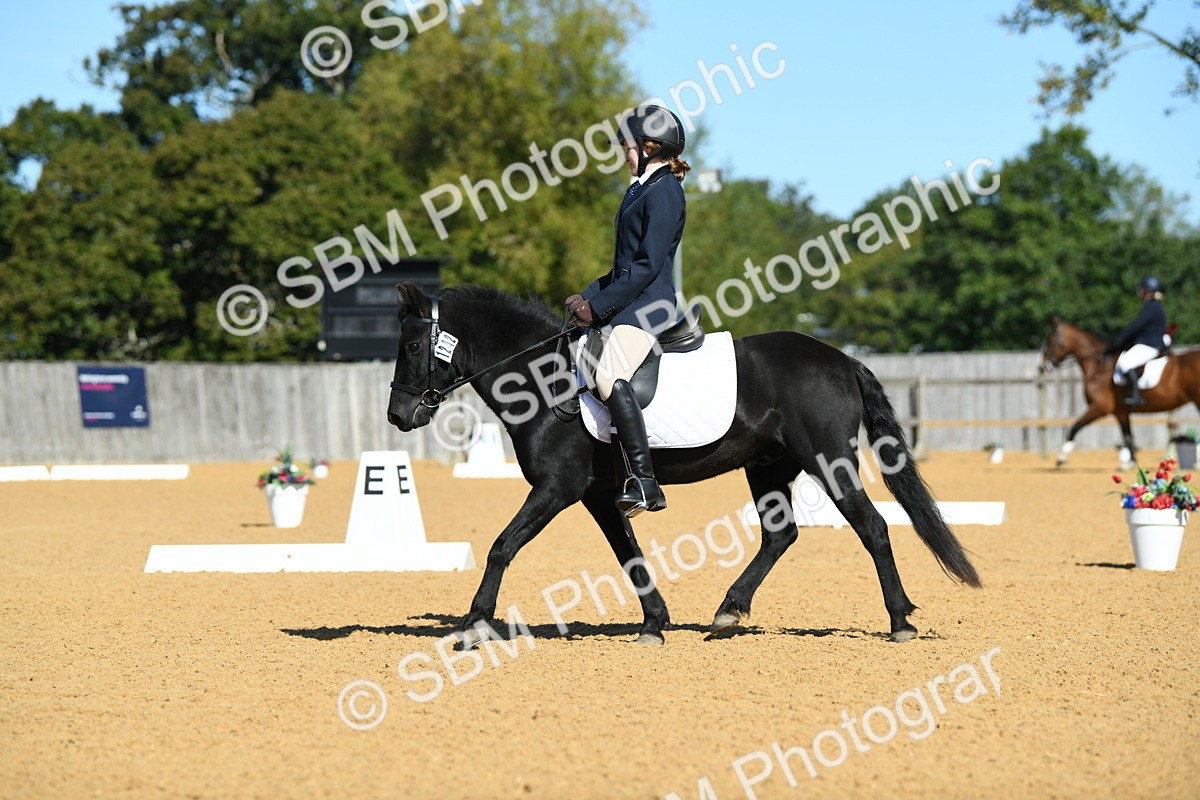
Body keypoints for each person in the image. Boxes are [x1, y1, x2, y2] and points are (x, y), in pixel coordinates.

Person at [564, 104, 691, 517]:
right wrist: (585, 297)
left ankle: (644, 481)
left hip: (650, 306)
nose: (623, 152)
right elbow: (622, 266)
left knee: (608, 374)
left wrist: (598, 306)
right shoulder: (640, 189)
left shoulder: (666, 191)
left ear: (650, 147)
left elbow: (648, 265)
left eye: (627, 145)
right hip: (630, 300)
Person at [1105, 276, 1168, 407]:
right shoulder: (1156, 306)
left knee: (1124, 363)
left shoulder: (1151, 306)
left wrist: (1119, 339)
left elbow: (1136, 326)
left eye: (1142, 290)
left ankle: (1135, 396)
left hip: (1149, 344)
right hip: (1152, 343)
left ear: (1147, 291)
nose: (1140, 292)